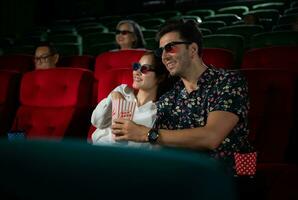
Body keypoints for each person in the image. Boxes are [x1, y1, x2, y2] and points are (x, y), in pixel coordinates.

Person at [111, 19, 254, 176]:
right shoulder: (168, 99)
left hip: (233, 176)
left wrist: (145, 134)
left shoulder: (229, 81)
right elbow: (161, 147)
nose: (164, 57)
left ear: (192, 49)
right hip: (187, 177)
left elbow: (212, 137)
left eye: (170, 48)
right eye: (161, 52)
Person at [91, 51, 170, 146]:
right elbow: (97, 122)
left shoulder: (156, 112)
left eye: (144, 69)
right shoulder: (122, 91)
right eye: (136, 66)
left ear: (160, 78)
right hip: (95, 148)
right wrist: (112, 97)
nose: (137, 72)